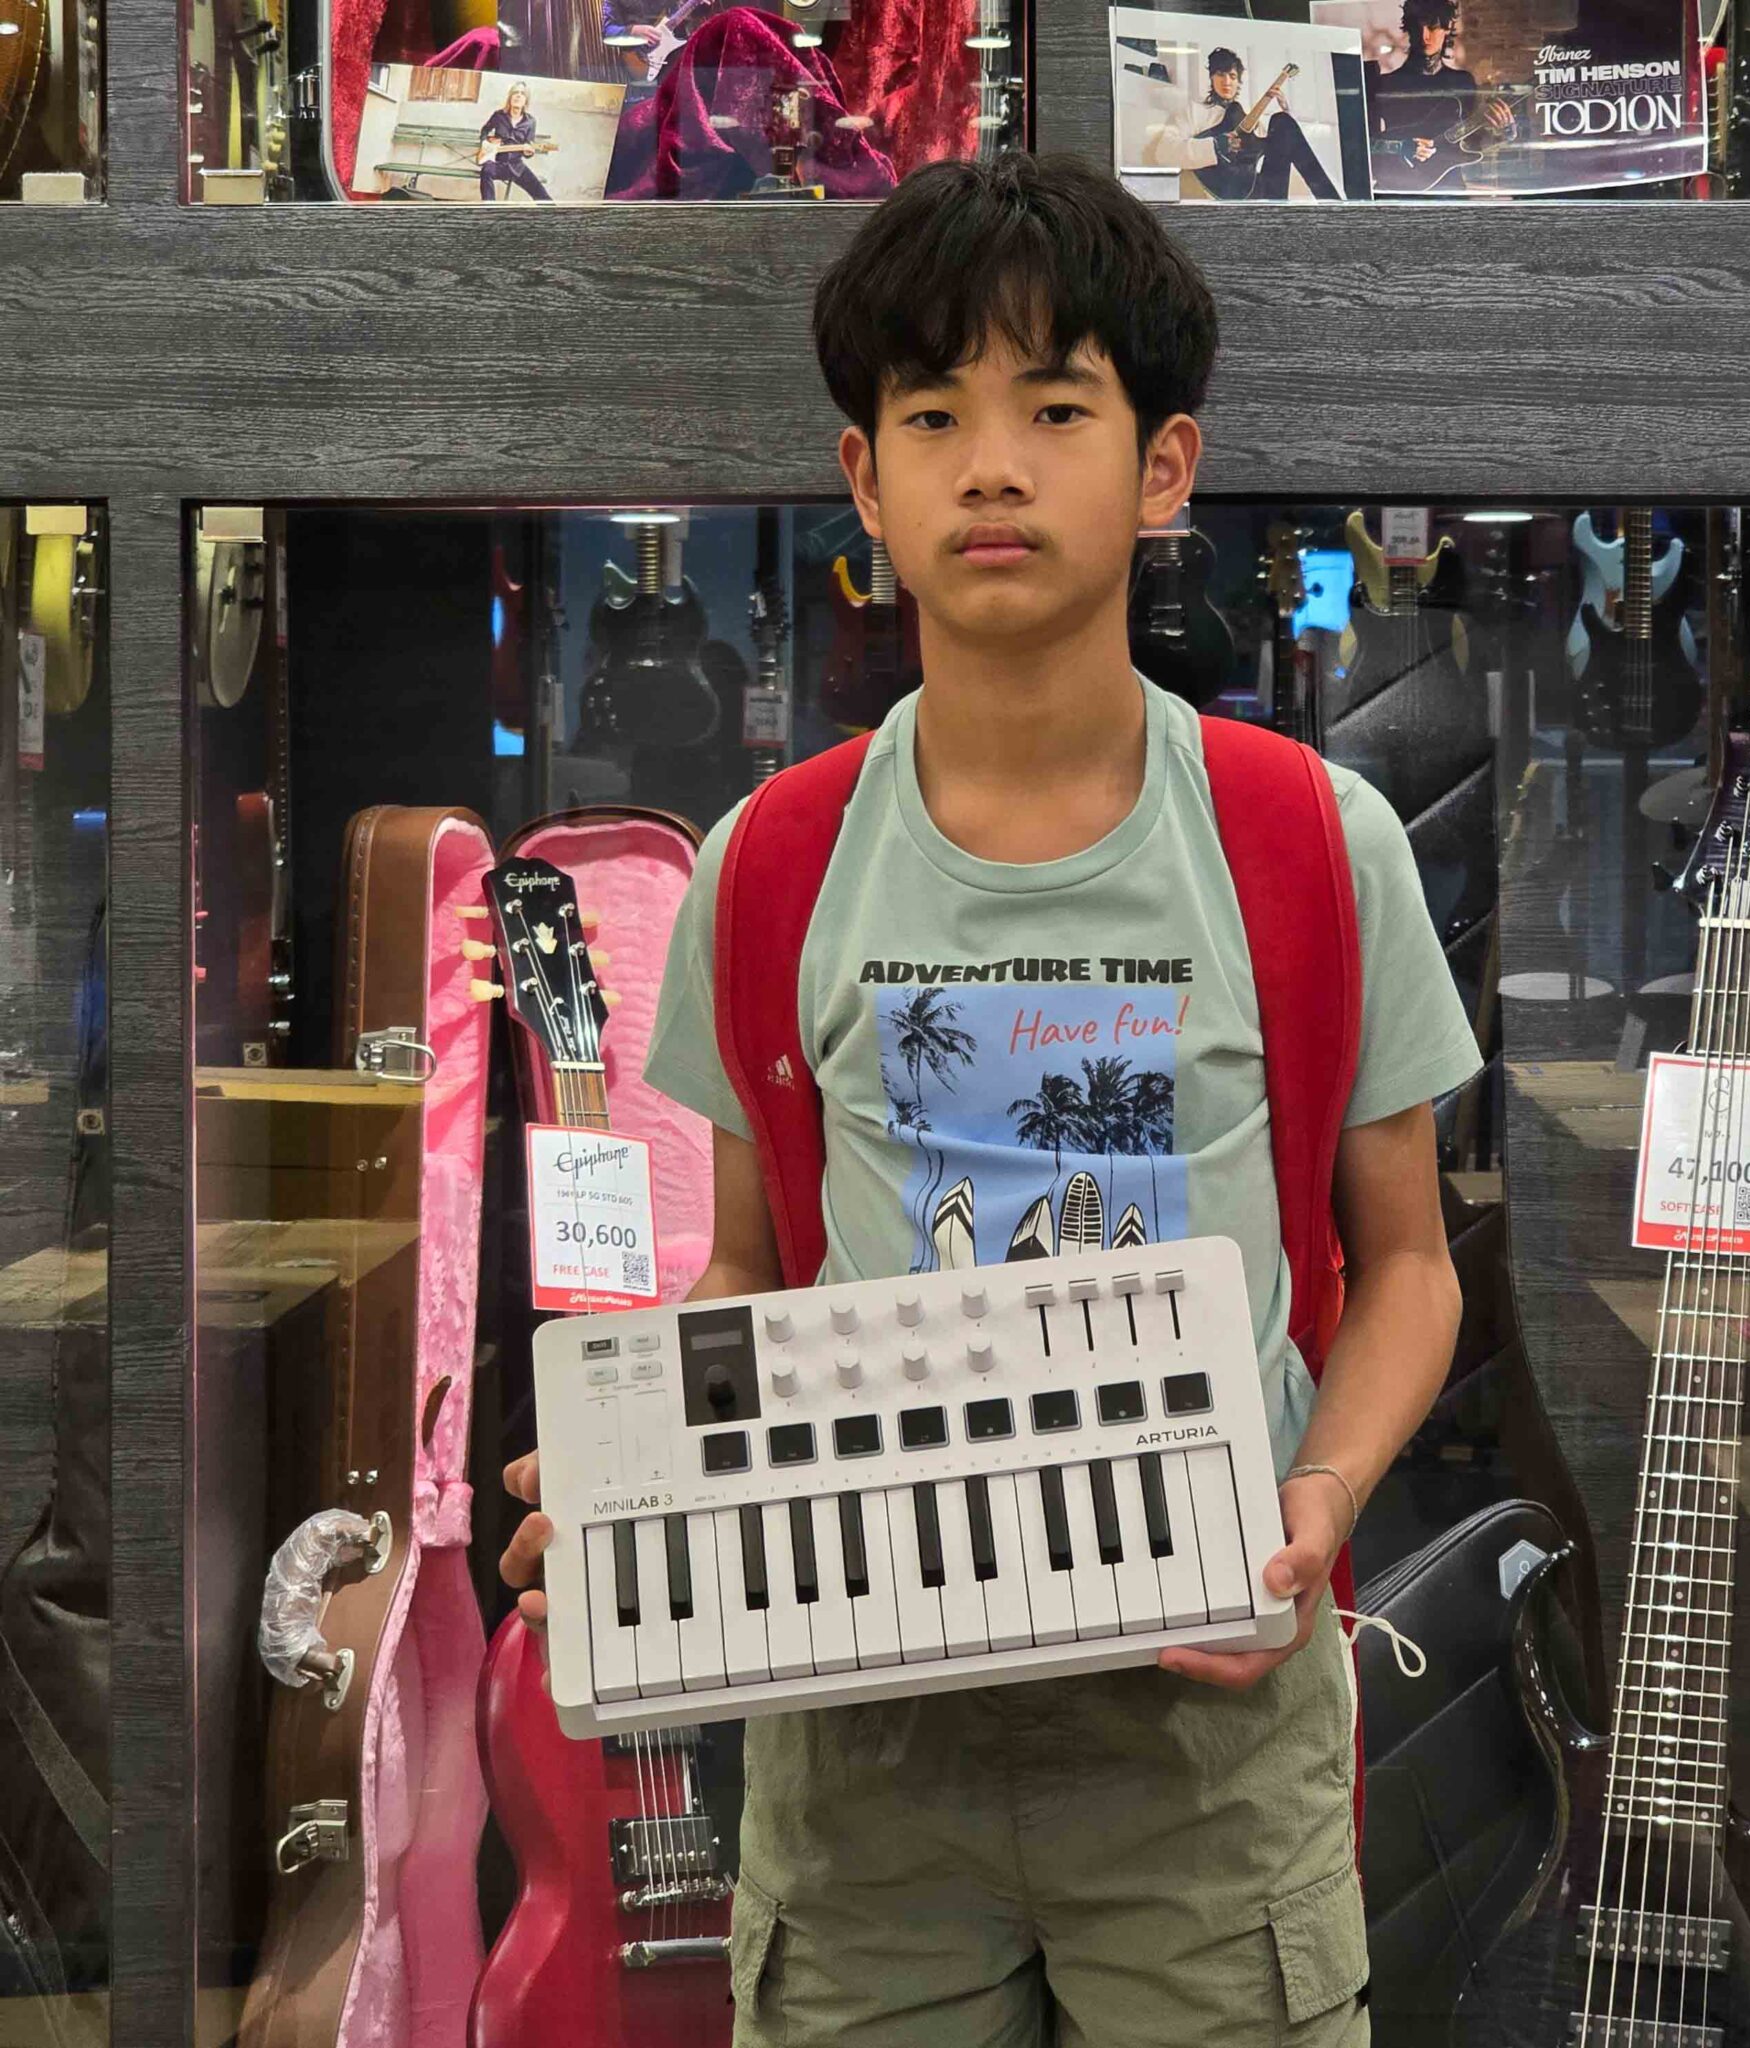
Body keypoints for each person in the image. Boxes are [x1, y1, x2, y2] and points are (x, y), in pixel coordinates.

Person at [498, 151, 1481, 2044]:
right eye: (933, 415)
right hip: (860, 1737)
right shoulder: (774, 863)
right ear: (863, 479)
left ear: (1164, 468)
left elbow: (1411, 1265)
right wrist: (639, 1494)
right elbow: (749, 1282)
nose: (993, 468)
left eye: (1056, 409)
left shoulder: (1303, 839)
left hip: (1208, 1731)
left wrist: (1317, 1503)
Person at [1366, 0, 1516, 193]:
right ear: (1409, 29)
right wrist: (1400, 147)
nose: (1424, 36)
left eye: (1432, 27)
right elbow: (1362, 146)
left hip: (1449, 192)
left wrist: (1505, 133)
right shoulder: (1385, 84)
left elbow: (1474, 143)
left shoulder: (1463, 82)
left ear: (1446, 29)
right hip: (1399, 191)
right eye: (1417, 27)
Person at [1162, 46, 1343, 200]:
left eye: (1232, 76)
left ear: (1238, 82)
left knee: (1281, 121)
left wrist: (1286, 111)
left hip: (1263, 191)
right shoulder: (1195, 111)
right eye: (1220, 74)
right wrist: (1215, 146)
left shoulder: (1246, 117)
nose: (1226, 82)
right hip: (1227, 191)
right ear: (1211, 77)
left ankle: (1333, 204)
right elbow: (1164, 151)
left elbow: (1285, 146)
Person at [476, 81, 553, 202]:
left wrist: (528, 152)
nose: (518, 95)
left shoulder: (530, 122)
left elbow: (528, 147)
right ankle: (489, 208)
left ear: (525, 100)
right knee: (486, 171)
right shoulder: (498, 115)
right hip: (497, 164)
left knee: (543, 196)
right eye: (515, 92)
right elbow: (485, 130)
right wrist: (484, 143)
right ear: (510, 97)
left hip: (517, 167)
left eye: (522, 93)